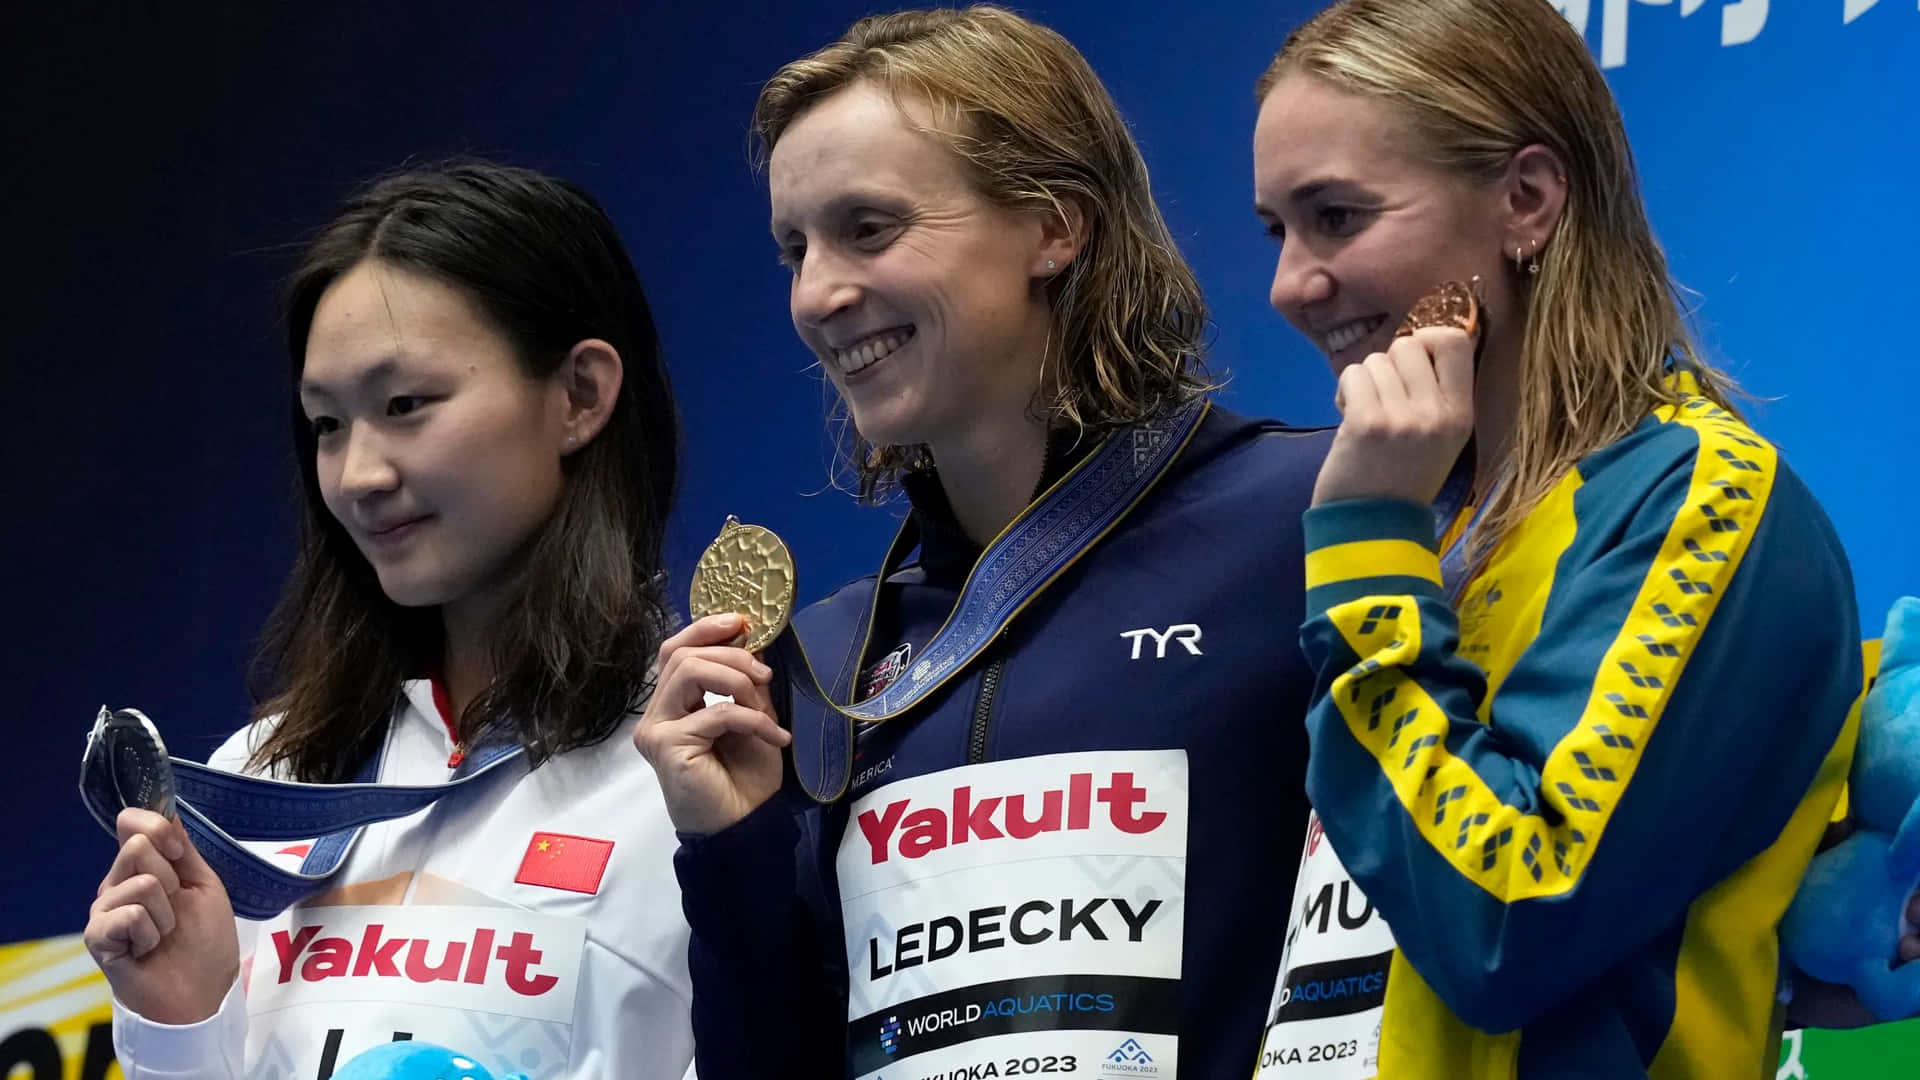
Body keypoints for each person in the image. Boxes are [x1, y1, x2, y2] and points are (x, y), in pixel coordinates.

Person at [634, 7, 1331, 1078]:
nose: (816, 294)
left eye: (869, 229)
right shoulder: (827, 663)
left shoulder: (1312, 515)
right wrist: (731, 854)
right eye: (794, 247)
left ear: (1055, 227)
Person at [1247, 1, 1861, 1076]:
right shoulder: (1427, 523)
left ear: (1526, 200)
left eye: (1337, 217)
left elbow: (1505, 918)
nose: (1289, 284)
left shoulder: (1693, 498)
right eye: (1277, 230)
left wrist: (1368, 553)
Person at [81, 161, 695, 1079]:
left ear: (579, 396)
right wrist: (178, 1027)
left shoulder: (701, 767)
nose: (359, 474)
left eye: (405, 406)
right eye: (327, 424)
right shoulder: (261, 778)